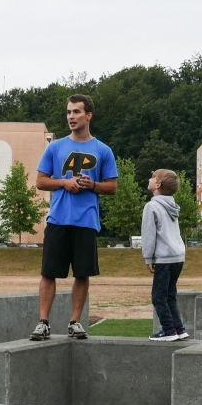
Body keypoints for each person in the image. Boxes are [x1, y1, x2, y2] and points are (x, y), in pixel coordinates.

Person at [30, 94, 118, 340]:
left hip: (86, 221)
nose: (71, 117)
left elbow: (112, 187)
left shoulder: (103, 150)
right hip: (58, 219)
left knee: (82, 273)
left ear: (88, 115)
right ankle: (43, 322)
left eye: (76, 112)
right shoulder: (55, 147)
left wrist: (92, 185)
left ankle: (74, 322)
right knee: (49, 272)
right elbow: (40, 181)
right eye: (69, 112)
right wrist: (64, 183)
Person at [141, 169, 188, 342]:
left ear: (158, 185)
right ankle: (179, 328)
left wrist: (148, 257)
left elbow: (149, 235)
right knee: (169, 295)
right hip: (177, 256)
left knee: (158, 296)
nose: (149, 178)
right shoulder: (172, 206)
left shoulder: (151, 206)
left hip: (164, 257)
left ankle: (168, 330)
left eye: (153, 177)